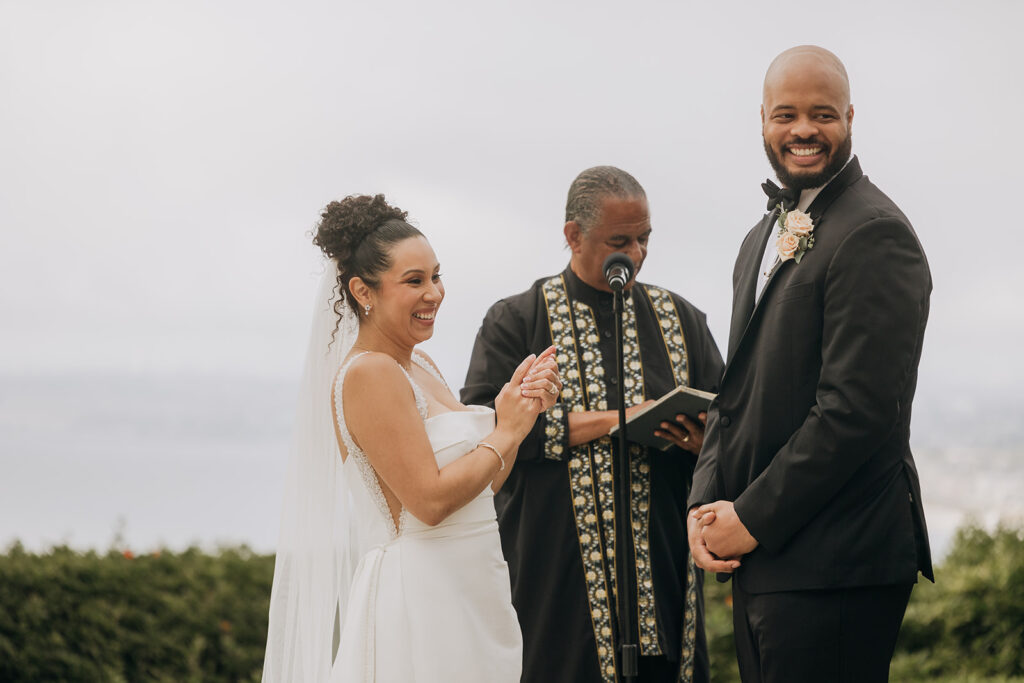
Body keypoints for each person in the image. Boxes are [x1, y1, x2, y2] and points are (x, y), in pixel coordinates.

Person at [687, 46, 933, 683]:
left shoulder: (875, 232)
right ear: (763, 120)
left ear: (850, 116)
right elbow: (734, 390)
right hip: (767, 560)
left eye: (822, 114)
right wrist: (704, 504)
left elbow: (857, 411)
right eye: (786, 114)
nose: (802, 130)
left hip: (836, 563)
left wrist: (751, 518)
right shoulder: (758, 236)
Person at [261, 194, 562, 683]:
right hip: (422, 598)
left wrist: (519, 415)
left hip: (474, 587)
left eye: (436, 276)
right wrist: (503, 430)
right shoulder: (370, 374)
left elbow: (483, 487)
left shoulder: (419, 365)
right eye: (414, 281)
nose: (434, 294)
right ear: (364, 291)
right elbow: (429, 502)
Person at [462, 166, 725, 683]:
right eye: (619, 241)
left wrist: (703, 444)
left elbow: (731, 421)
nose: (636, 253)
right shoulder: (515, 321)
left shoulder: (683, 319)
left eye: (644, 238)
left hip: (665, 573)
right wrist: (615, 422)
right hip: (552, 578)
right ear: (572, 236)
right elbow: (483, 433)